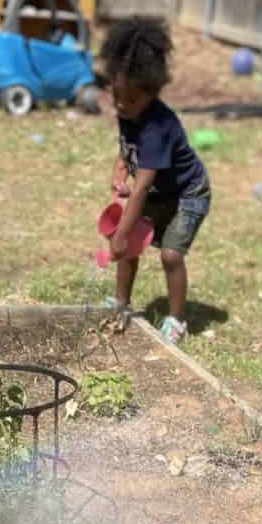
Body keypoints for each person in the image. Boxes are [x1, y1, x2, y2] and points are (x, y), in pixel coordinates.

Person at [100, 18, 211, 346]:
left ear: (152, 90)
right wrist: (119, 170)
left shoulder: (157, 128)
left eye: (131, 100)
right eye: (117, 96)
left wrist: (120, 234)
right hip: (159, 192)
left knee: (170, 256)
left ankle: (177, 320)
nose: (122, 105)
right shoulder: (128, 112)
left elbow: (143, 187)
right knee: (132, 248)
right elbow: (126, 149)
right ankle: (120, 302)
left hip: (188, 194)